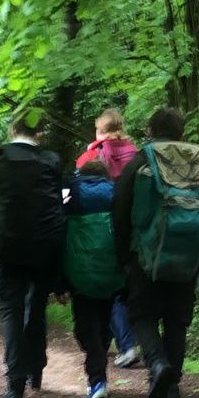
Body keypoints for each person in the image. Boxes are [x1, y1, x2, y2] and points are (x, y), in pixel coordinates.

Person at [112, 106, 199, 398]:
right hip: (188, 254)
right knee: (177, 321)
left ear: (149, 131)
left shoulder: (142, 160)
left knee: (142, 314)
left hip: (144, 254)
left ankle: (158, 364)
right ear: (182, 133)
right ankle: (172, 391)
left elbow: (119, 211)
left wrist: (123, 257)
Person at [0, 110, 66, 398]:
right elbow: (61, 203)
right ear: (40, 132)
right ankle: (35, 369)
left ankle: (15, 382)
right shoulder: (51, 161)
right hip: (43, 246)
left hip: (7, 247)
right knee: (35, 307)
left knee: (11, 311)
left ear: (13, 129)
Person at [76, 108, 140, 369]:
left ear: (99, 129)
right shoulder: (135, 154)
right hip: (132, 228)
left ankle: (125, 344)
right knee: (122, 287)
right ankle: (124, 341)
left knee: (108, 289)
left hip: (99, 229)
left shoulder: (91, 155)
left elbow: (79, 187)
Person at [64, 160, 126, 398]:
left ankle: (98, 381)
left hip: (80, 273)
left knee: (85, 328)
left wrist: (60, 280)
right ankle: (98, 370)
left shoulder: (73, 195)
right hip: (111, 273)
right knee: (103, 321)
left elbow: (60, 234)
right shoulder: (116, 195)